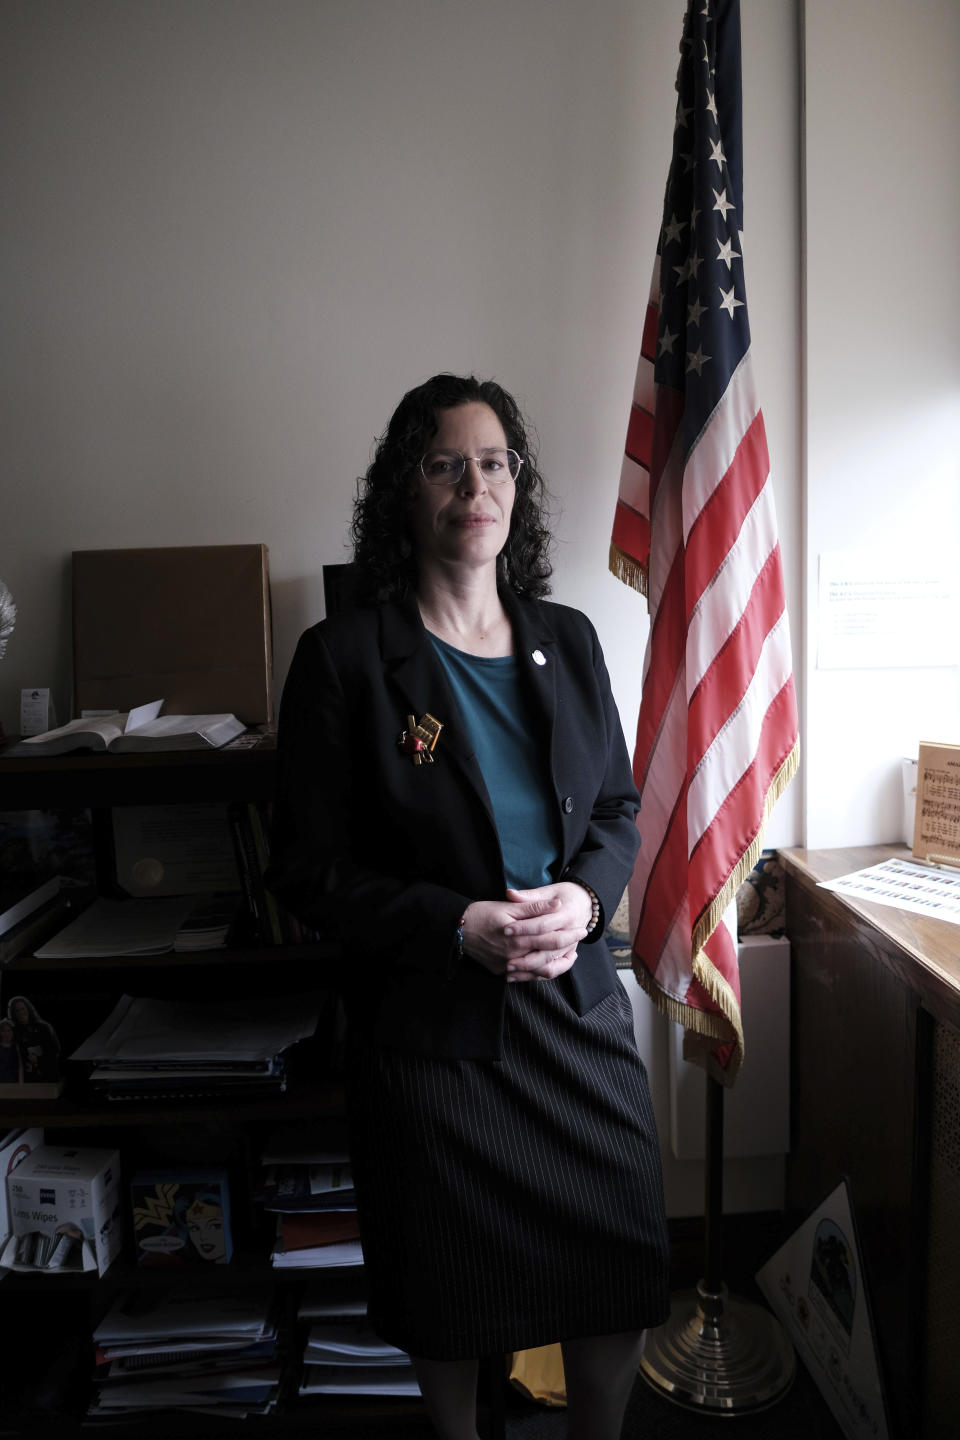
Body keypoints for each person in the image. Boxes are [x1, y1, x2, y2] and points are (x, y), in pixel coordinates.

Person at [268, 373, 670, 1440]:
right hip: (433, 1035)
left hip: (575, 1010)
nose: (474, 483)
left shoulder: (570, 638)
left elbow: (618, 810)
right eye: (445, 463)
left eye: (493, 462)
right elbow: (309, 871)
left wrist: (586, 901)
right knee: (449, 1290)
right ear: (406, 490)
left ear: (516, 487)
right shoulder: (344, 659)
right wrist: (458, 924)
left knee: (618, 1253)